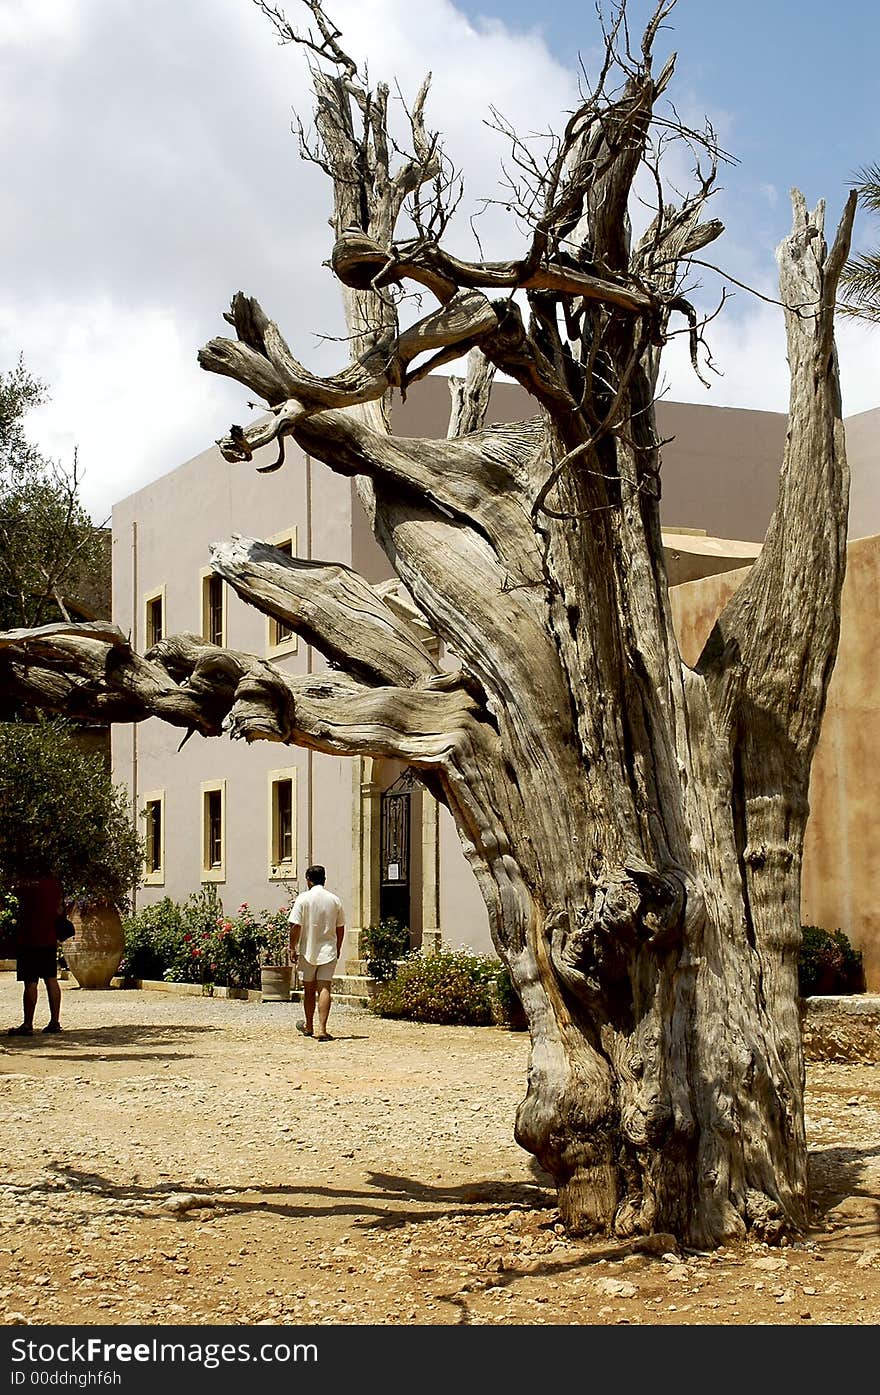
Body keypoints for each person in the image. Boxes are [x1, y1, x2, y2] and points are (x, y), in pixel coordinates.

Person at [289, 864, 344, 1042]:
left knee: (309, 989)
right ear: (324, 879)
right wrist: (338, 947)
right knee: (324, 987)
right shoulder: (334, 900)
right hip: (328, 949)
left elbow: (296, 925)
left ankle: (309, 1025)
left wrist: (292, 946)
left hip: (307, 950)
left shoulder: (303, 899)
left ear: (308, 880)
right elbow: (340, 927)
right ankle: (322, 1028)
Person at [7, 874, 64, 1035]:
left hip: (29, 938)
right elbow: (60, 909)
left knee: (31, 983)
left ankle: (28, 1024)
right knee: (51, 979)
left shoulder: (27, 884)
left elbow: (12, 892)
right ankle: (54, 1022)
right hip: (49, 938)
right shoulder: (55, 884)